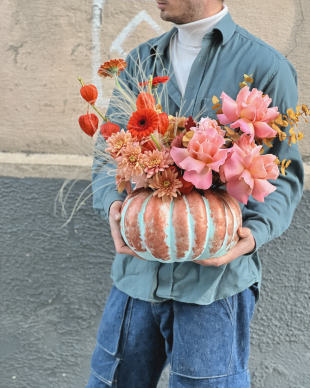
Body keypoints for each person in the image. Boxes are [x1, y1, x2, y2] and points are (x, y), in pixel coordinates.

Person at [86, 0, 304, 387]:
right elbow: (110, 153)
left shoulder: (267, 68)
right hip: (137, 276)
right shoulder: (140, 61)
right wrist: (114, 205)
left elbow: (283, 174)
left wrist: (252, 237)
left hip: (214, 285)